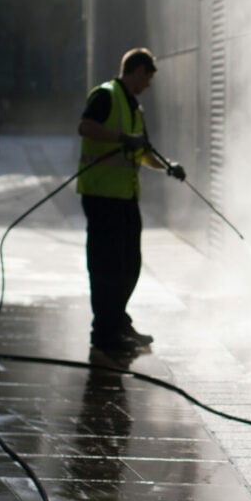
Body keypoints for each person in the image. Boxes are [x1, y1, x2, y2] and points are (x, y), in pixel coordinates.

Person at [77, 47, 186, 352]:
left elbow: (144, 152)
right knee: (106, 267)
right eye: (147, 78)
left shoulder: (134, 107)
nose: (148, 85)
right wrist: (122, 139)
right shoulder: (106, 95)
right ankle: (104, 332)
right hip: (101, 197)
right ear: (137, 71)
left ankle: (117, 322)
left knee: (130, 265)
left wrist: (168, 167)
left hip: (124, 198)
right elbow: (85, 127)